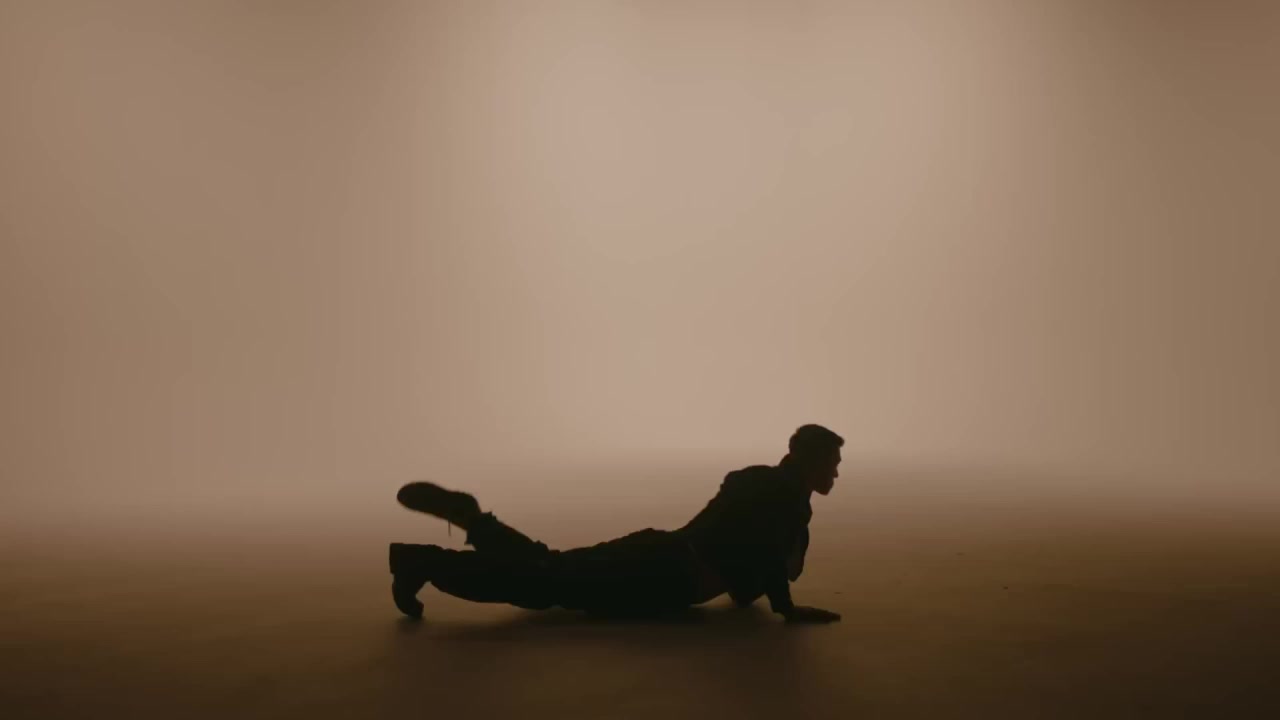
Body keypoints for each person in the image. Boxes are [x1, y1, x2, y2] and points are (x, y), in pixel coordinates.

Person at [388, 424, 844, 624]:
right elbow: (766, 556)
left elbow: (745, 572)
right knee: (542, 583)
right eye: (833, 463)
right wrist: (786, 607)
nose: (836, 474)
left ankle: (474, 522)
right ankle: (425, 562)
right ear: (811, 462)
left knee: (549, 568)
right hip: (666, 576)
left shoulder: (755, 480)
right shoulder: (787, 501)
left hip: (661, 551)